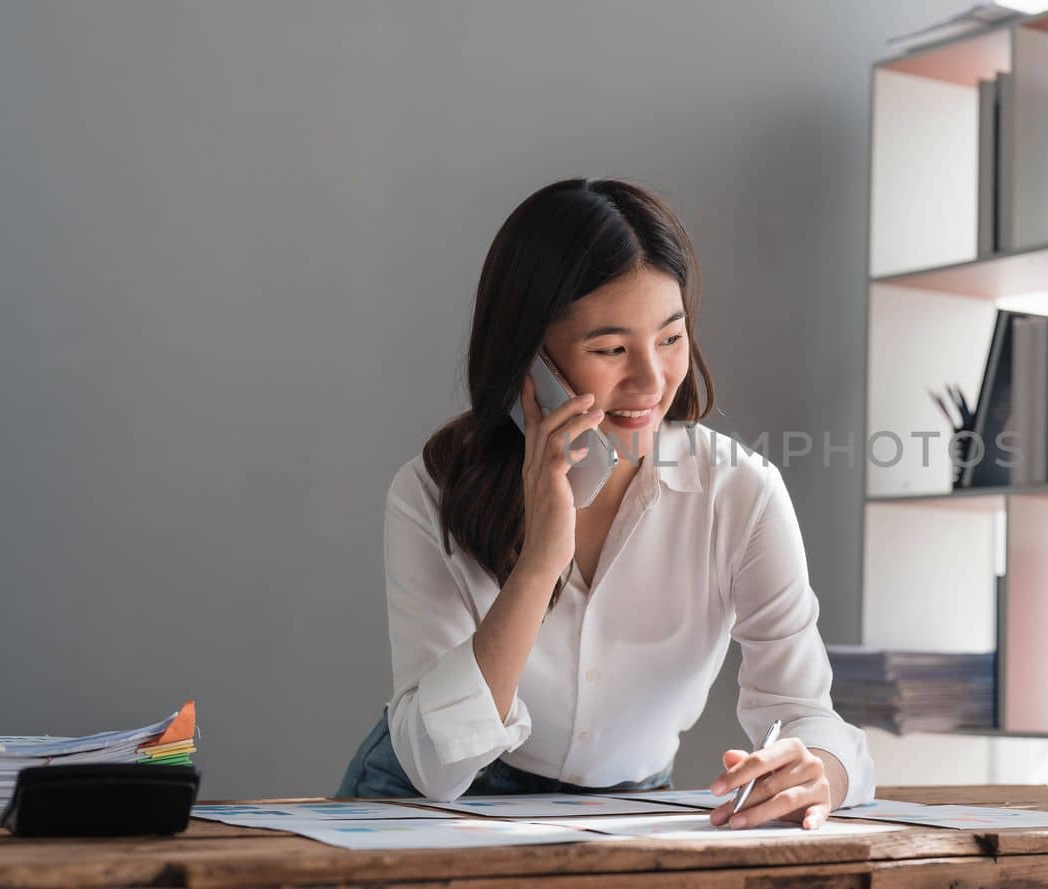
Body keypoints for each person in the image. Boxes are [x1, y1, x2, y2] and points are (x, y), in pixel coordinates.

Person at [337, 177, 875, 830]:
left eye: (670, 339)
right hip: (426, 802)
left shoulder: (739, 491)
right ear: (529, 361)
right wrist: (540, 562)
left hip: (625, 807)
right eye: (611, 349)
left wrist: (820, 768)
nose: (651, 380)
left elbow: (806, 710)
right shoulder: (430, 492)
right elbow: (435, 764)